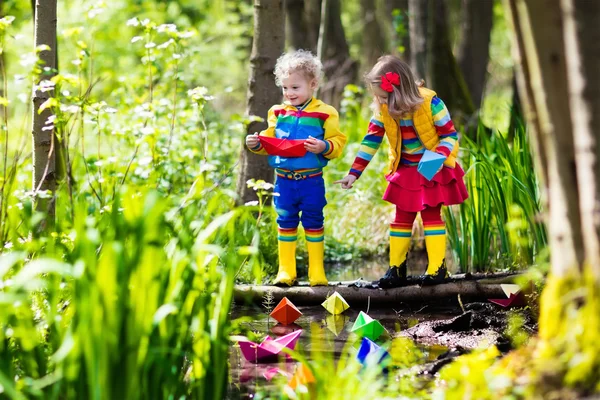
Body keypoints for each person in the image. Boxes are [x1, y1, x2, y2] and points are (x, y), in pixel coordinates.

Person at [335, 55, 468, 288]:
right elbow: (370, 142)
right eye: (378, 96)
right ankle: (397, 269)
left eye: (384, 96)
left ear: (401, 90)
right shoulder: (383, 110)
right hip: (405, 171)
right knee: (401, 219)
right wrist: (353, 173)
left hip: (431, 169)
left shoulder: (431, 103)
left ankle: (437, 268)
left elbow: (449, 134)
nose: (381, 100)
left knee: (431, 216)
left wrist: (438, 156)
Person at [246, 50, 347, 287]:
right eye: (285, 88)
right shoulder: (277, 112)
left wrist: (323, 146)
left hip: (311, 180)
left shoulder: (326, 112)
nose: (289, 93)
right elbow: (270, 142)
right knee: (285, 221)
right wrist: (257, 143)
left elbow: (338, 144)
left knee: (314, 221)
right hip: (284, 181)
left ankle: (317, 273)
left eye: (295, 88)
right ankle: (286, 272)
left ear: (313, 85)